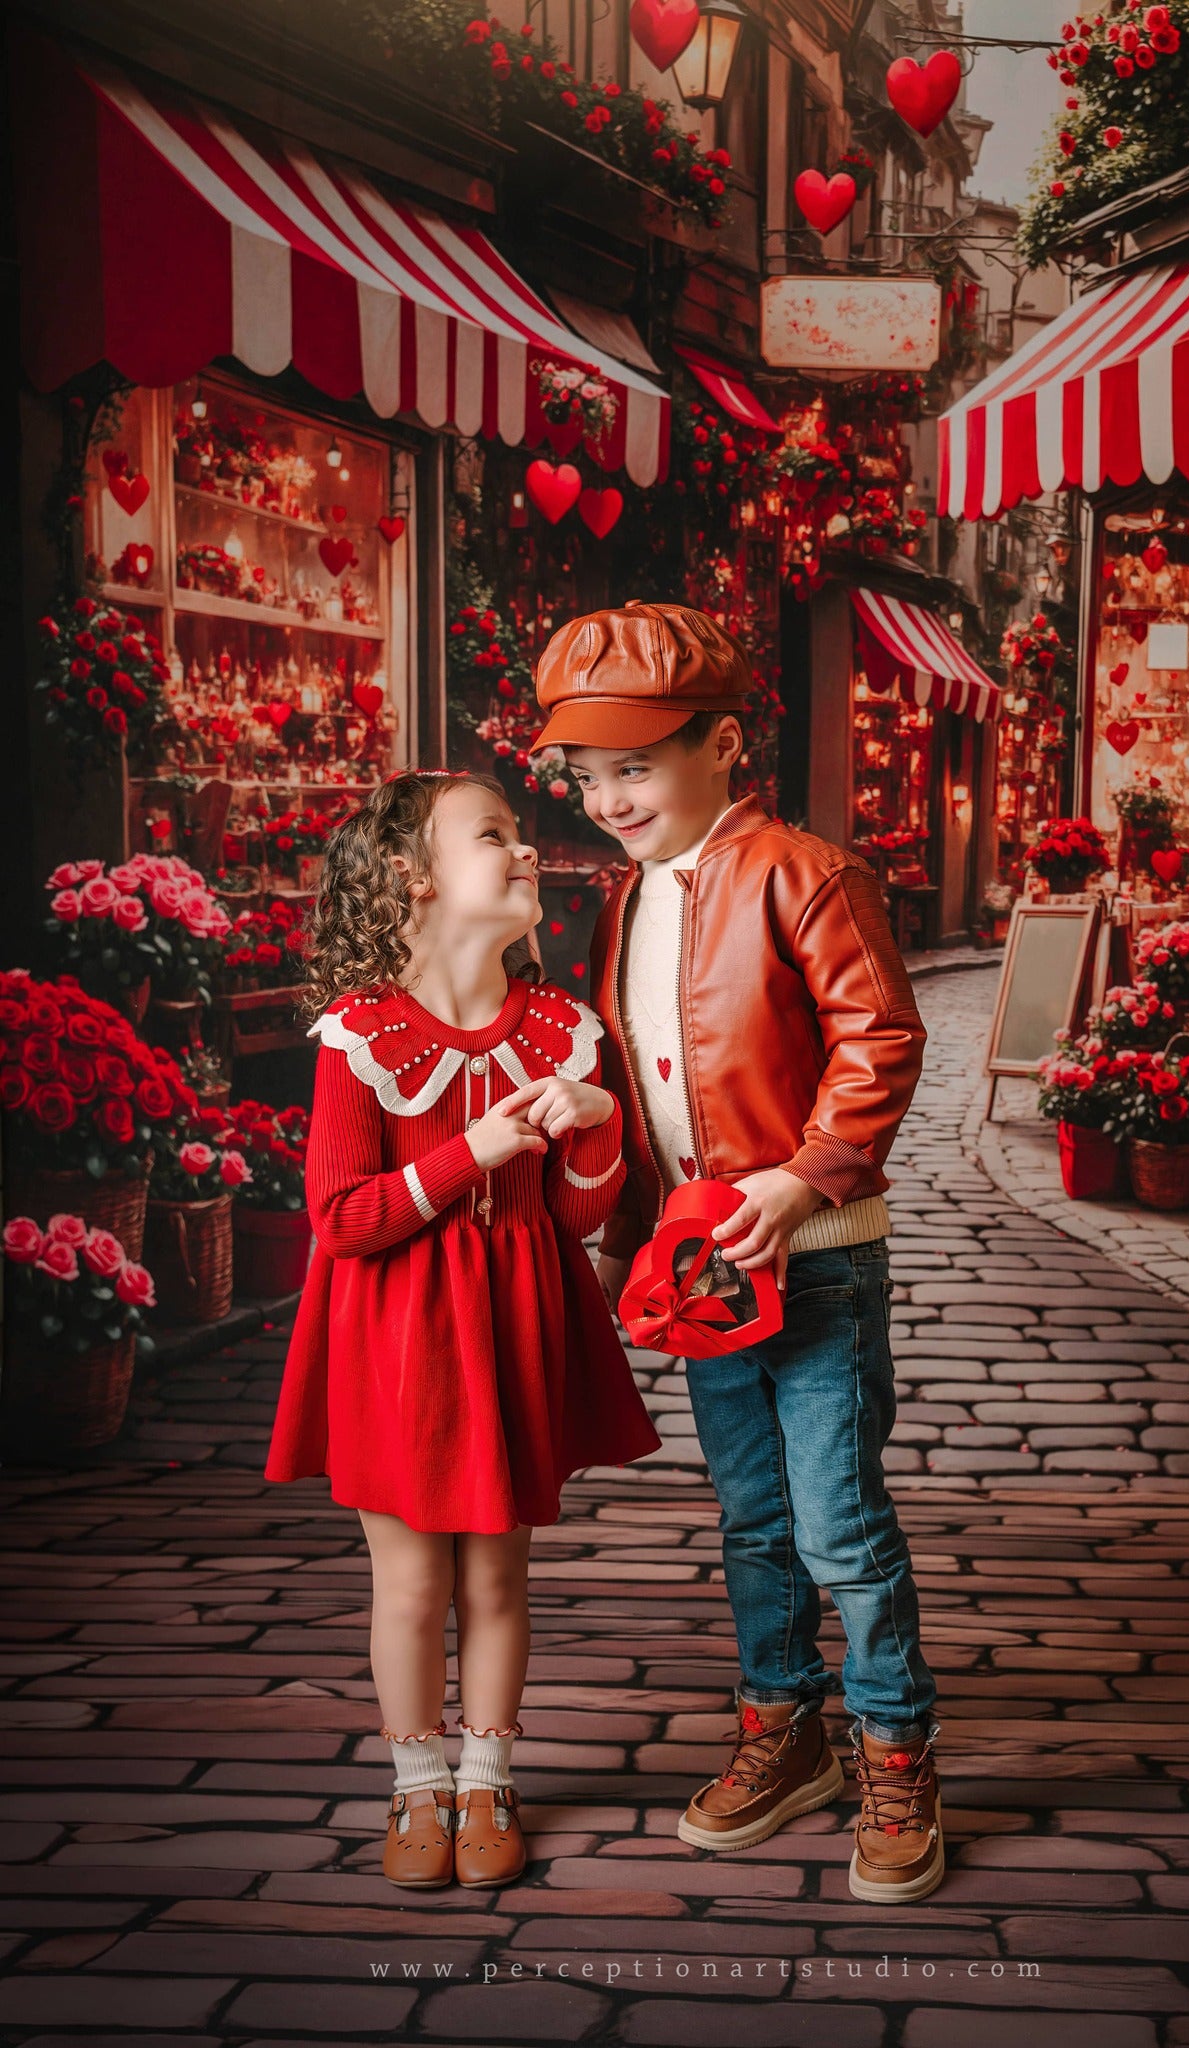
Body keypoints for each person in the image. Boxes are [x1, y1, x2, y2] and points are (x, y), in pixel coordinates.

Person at [530, 601, 944, 1905]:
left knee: (840, 1525)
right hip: (702, 1267)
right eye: (588, 777)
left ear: (721, 745)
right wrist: (621, 1238)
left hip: (812, 1253)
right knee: (752, 1520)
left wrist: (802, 1177)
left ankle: (897, 1752)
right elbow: (651, 1086)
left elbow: (879, 1041)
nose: (608, 799)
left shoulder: (806, 872)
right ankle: (788, 1728)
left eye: (634, 769)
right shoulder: (626, 900)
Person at [264, 768, 661, 1893]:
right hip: (394, 1338)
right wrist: (467, 1153)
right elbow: (342, 1218)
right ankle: (415, 1781)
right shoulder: (362, 1035)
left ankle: (488, 1774)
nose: (526, 849)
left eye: (523, 833)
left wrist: (592, 1128)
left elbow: (573, 1213)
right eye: (495, 834)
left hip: (510, 1327)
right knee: (408, 1585)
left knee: (497, 1576)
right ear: (414, 876)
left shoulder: (560, 1028)